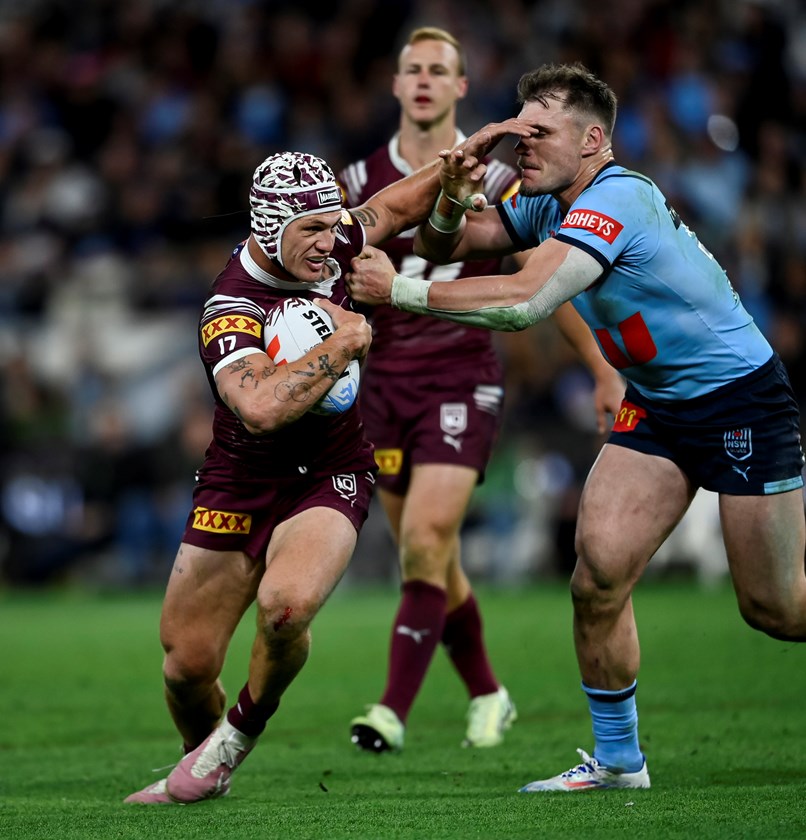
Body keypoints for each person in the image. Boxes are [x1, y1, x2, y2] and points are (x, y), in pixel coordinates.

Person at [345, 62, 806, 791]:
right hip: (658, 404)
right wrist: (455, 192)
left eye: (540, 131)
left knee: (776, 609)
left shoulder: (615, 198)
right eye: (518, 127)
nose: (521, 144)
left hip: (738, 399)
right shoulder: (548, 201)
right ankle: (620, 761)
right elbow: (448, 246)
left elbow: (527, 299)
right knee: (596, 579)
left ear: (593, 139)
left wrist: (397, 291)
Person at [122, 131, 522, 805]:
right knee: (187, 667)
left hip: (330, 469)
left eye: (333, 221)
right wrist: (341, 346)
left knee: (286, 610)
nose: (328, 241)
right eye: (311, 228)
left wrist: (455, 164)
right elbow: (257, 407)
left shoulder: (332, 239)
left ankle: (234, 742)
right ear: (271, 228)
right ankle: (204, 755)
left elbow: (391, 209)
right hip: (239, 478)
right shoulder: (232, 306)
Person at [338, 29, 624, 754]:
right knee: (426, 558)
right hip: (385, 387)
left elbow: (547, 285)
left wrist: (599, 366)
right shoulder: (358, 179)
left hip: (462, 376)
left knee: (430, 541)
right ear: (397, 85)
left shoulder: (501, 176)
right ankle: (490, 693)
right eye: (414, 70)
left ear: (462, 87)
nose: (427, 80)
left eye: (441, 70)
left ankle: (390, 710)